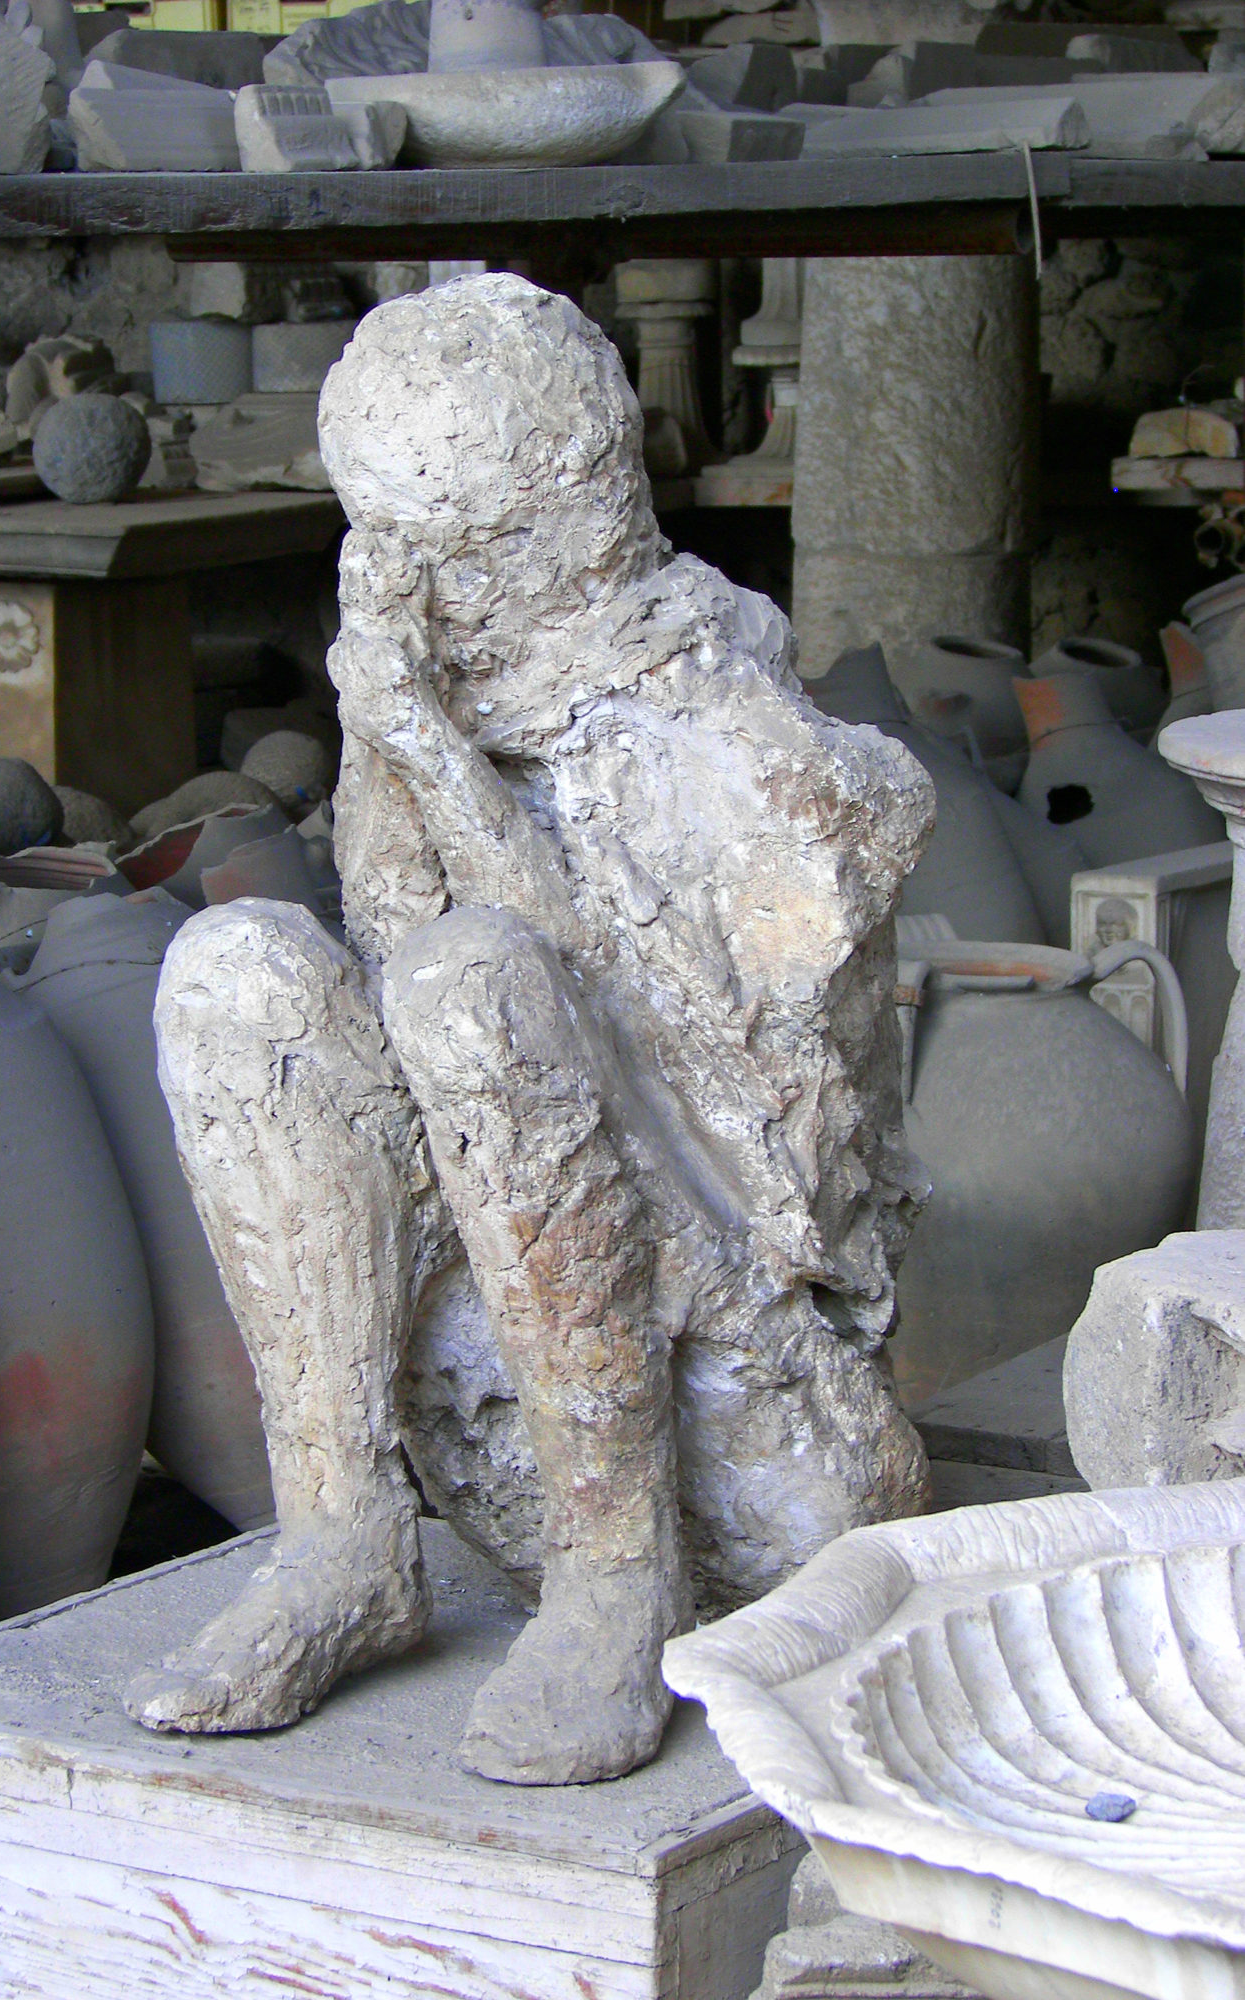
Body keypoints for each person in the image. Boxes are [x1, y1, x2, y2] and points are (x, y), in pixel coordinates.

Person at [125, 274, 935, 1786]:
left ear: (558, 525)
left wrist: (433, 747)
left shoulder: (739, 731)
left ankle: (613, 1585)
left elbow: (639, 1059)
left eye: (435, 549)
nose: (403, 584)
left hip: (745, 1423)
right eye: (378, 541)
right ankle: (346, 1538)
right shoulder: (447, 686)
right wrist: (388, 742)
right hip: (509, 1362)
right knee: (237, 970)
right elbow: (385, 946)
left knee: (475, 988)